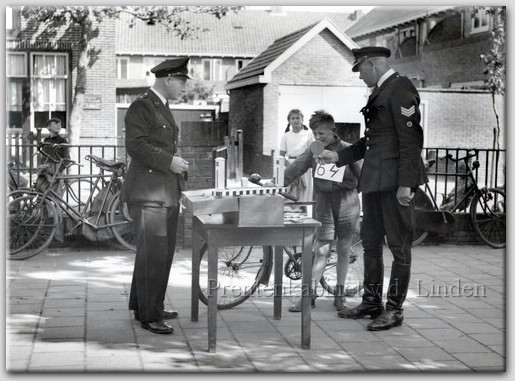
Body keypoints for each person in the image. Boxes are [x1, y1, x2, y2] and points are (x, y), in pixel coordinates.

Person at [316, 47, 428, 331]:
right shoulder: (381, 91)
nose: (359, 76)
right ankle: (371, 301)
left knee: (399, 247)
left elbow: (411, 140)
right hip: (376, 182)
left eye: (360, 70)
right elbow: (370, 142)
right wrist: (338, 157)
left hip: (395, 184)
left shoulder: (401, 89)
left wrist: (406, 183)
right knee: (370, 244)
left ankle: (394, 310)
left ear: (372, 64)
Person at [121, 58, 191, 335]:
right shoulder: (142, 106)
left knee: (157, 255)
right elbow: (135, 146)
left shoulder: (161, 107)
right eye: (182, 82)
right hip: (149, 195)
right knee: (154, 255)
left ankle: (147, 305)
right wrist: (169, 161)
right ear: (168, 79)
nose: (184, 88)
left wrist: (173, 166)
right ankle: (150, 316)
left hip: (162, 193)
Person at [266, 110, 362, 312]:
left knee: (343, 248)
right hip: (324, 202)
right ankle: (308, 296)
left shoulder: (346, 150)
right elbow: (295, 169)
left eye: (322, 134)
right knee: (321, 250)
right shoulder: (313, 151)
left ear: (333, 130)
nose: (318, 138)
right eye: (315, 133)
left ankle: (340, 295)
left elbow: (363, 176)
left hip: (347, 201)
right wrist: (274, 184)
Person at [279, 109, 314, 202]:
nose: (295, 120)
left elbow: (313, 151)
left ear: (302, 120)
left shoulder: (309, 134)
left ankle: (304, 210)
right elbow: (281, 155)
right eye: (293, 118)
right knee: (291, 191)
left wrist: (301, 167)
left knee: (304, 192)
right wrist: (293, 168)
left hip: (305, 165)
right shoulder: (286, 136)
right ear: (289, 121)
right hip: (290, 165)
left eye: (298, 118)